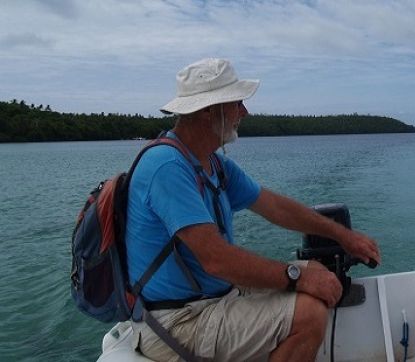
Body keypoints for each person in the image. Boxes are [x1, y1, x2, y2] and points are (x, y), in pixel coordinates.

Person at [126, 58, 381, 362]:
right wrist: (296, 277)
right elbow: (216, 260)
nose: (244, 113)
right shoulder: (167, 167)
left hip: (214, 297)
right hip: (177, 320)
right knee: (310, 315)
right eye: (238, 103)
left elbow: (276, 207)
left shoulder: (212, 163)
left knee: (315, 270)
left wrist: (343, 236)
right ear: (209, 110)